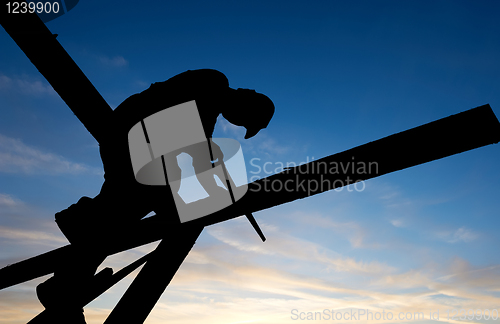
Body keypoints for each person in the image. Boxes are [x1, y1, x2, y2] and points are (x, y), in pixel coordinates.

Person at [38, 69, 275, 323]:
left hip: (141, 143)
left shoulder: (212, 103)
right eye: (244, 120)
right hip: (133, 140)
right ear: (247, 101)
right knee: (148, 208)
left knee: (119, 217)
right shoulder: (213, 81)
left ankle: (66, 282)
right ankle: (78, 234)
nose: (238, 123)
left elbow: (194, 139)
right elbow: (185, 126)